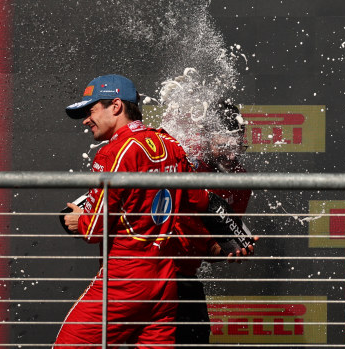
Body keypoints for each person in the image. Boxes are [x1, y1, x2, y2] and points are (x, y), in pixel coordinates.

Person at [54, 75, 252, 348]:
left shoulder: (114, 153)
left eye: (91, 111)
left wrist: (78, 220)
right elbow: (202, 200)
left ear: (115, 106)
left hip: (127, 279)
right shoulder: (169, 144)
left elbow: (94, 229)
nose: (87, 120)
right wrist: (232, 233)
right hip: (164, 283)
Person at [169, 100, 252, 345]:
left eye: (236, 146)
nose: (230, 154)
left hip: (185, 274)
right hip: (156, 270)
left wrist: (231, 246)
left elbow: (220, 244)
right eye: (222, 145)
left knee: (196, 337)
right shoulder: (184, 161)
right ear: (205, 138)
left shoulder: (240, 180)